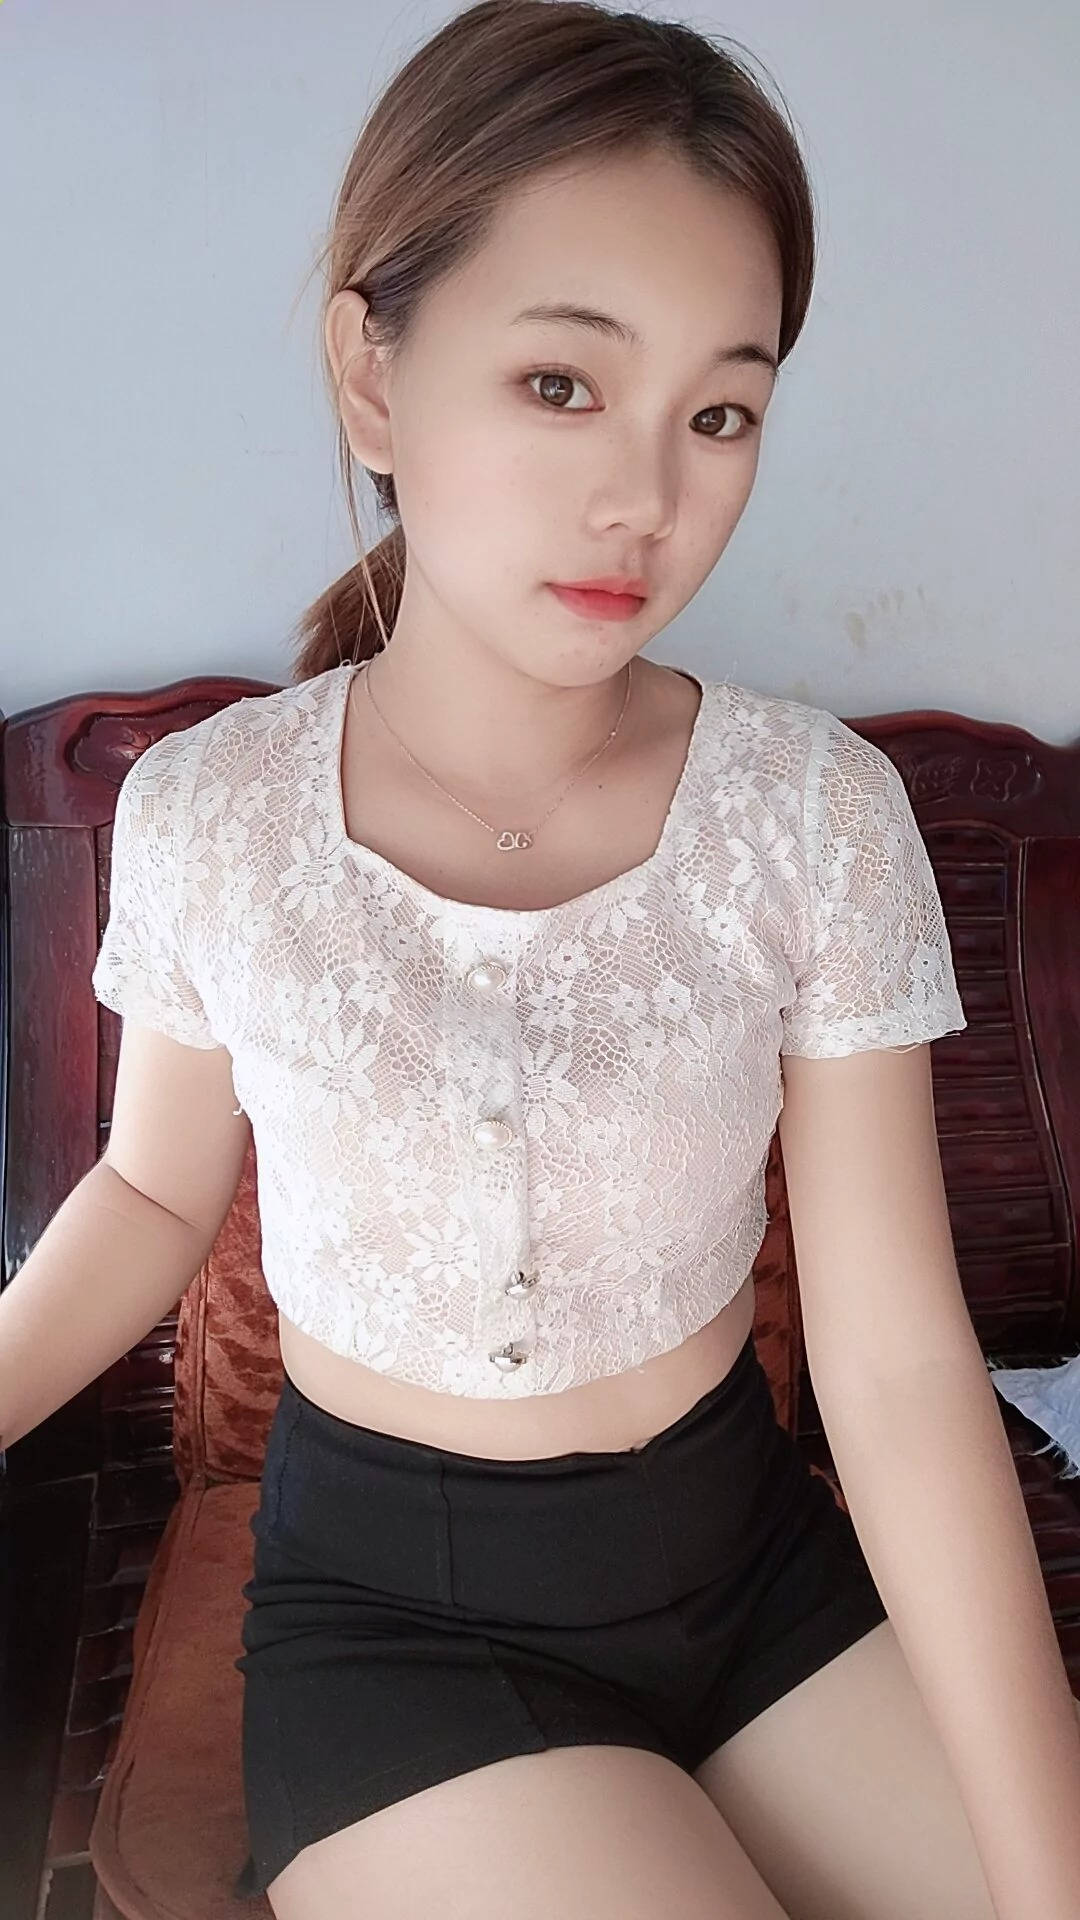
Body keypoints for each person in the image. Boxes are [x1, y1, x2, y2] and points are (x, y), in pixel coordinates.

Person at [8, 4, 1028, 1917]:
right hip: (402, 1623)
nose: (648, 496)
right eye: (563, 382)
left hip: (752, 1565)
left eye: (719, 413)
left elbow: (898, 1364)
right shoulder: (213, 814)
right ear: (372, 374)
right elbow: (150, 1190)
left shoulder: (814, 814)